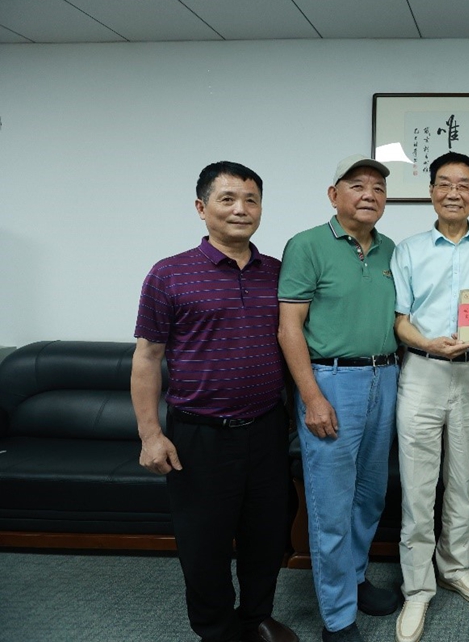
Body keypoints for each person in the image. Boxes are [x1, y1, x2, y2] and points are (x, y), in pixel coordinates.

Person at [131, 162, 297, 642]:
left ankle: (256, 615)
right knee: (203, 543)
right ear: (202, 208)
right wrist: (150, 434)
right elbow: (148, 357)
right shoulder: (169, 274)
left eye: (251, 199)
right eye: (227, 199)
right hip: (200, 434)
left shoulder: (278, 274)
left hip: (267, 428)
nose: (241, 209)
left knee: (267, 533)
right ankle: (217, 630)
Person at [391, 152, 469, 642]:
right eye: (444, 183)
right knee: (418, 486)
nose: (454, 193)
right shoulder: (408, 250)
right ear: (431, 191)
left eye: (464, 184)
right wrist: (428, 342)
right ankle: (417, 587)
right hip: (423, 372)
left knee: (462, 480)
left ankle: (455, 567)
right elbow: (400, 320)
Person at [278, 155, 400, 642]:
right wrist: (311, 396)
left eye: (379, 188)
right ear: (334, 195)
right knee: (331, 506)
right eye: (357, 185)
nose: (369, 195)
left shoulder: (390, 249)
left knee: (370, 496)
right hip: (331, 382)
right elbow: (289, 328)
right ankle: (337, 617)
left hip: (386, 378)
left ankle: (355, 578)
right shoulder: (307, 245)